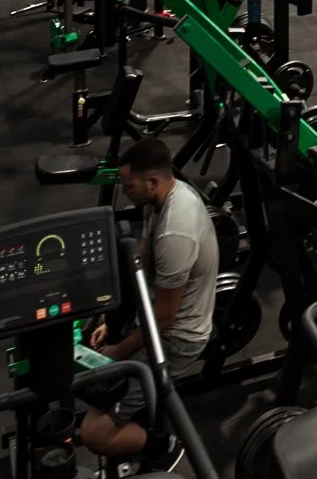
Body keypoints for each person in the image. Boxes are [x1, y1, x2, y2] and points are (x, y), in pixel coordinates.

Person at [80, 137, 219, 459]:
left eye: (128, 186)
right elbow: (140, 259)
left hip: (177, 338)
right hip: (154, 315)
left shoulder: (175, 232)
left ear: (152, 182)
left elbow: (165, 319)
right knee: (94, 350)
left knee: (94, 434)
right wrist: (110, 318)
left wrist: (119, 348)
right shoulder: (163, 198)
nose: (124, 192)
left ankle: (165, 446)